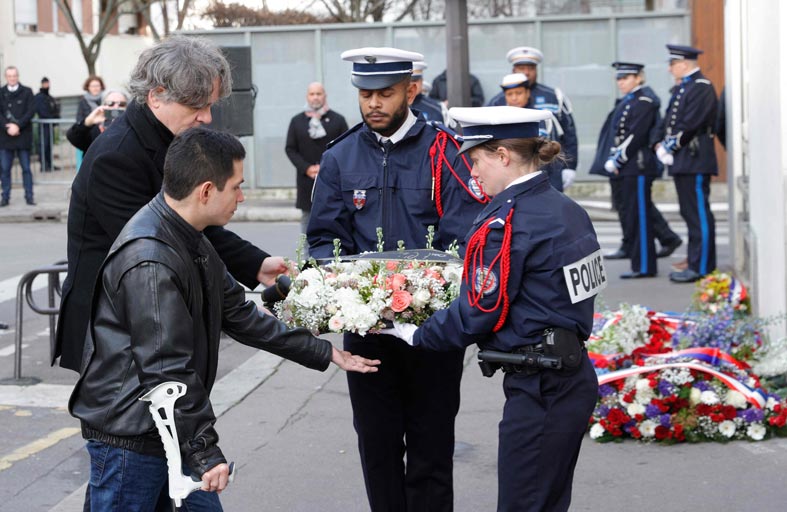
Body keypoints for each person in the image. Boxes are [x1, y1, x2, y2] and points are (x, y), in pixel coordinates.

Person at [69, 126, 380, 511]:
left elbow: (239, 313)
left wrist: (323, 352)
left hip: (168, 426)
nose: (241, 197)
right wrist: (205, 452)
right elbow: (166, 368)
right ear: (205, 191)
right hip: (132, 436)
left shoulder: (187, 234)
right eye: (236, 187)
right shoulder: (151, 259)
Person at [384, 106, 603, 512]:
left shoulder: (508, 221)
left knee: (524, 503)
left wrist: (416, 333)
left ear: (502, 156)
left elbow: (480, 309)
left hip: (539, 386)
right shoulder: (566, 210)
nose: (471, 172)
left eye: (475, 160)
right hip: (568, 375)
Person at [307, 47, 488, 512]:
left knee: (431, 447)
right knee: (377, 446)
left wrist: (422, 295)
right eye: (365, 94)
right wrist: (353, 292)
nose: (373, 103)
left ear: (411, 90)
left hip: (433, 332)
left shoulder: (446, 152)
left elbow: (465, 235)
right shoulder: (340, 156)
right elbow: (324, 238)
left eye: (385, 93)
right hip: (367, 333)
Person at [55, 36, 289, 374]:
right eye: (196, 107)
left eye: (210, 105)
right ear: (156, 96)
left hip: (143, 317)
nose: (206, 117)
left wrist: (256, 264)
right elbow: (167, 244)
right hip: (112, 330)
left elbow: (194, 226)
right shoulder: (116, 157)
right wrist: (238, 308)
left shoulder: (165, 139)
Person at [589, 62, 669, 278]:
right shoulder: (630, 101)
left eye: (625, 78)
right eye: (619, 78)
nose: (621, 82)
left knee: (640, 217)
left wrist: (617, 160)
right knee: (633, 217)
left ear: (638, 78)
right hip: (629, 167)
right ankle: (639, 264)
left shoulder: (643, 102)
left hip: (638, 166)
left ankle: (644, 266)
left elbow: (635, 136)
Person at [655, 44, 718, 283]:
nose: (670, 69)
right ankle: (695, 259)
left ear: (683, 64)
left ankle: (702, 267)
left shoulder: (701, 86)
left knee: (698, 213)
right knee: (689, 213)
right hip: (684, 160)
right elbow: (671, 121)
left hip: (695, 158)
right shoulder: (685, 87)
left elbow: (691, 124)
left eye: (672, 64)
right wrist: (660, 145)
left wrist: (669, 146)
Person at [487, 46, 578, 191]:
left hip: (550, 169)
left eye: (530, 68)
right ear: (513, 70)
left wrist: (570, 166)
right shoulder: (497, 102)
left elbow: (569, 133)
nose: (526, 72)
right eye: (521, 68)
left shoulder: (554, 97)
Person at [285, 82, 348, 237]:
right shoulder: (297, 121)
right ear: (307, 96)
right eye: (312, 94)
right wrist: (306, 168)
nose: (315, 97)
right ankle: (306, 253)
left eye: (318, 94)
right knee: (307, 223)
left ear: (325, 96)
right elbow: (290, 149)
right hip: (307, 181)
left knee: (333, 221)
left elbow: (346, 148)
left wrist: (327, 168)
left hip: (332, 180)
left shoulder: (338, 120)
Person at [499, 73, 568, 191]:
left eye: (519, 93)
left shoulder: (543, 119)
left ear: (528, 93)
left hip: (541, 184)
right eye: (509, 94)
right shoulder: (499, 121)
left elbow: (552, 157)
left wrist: (555, 189)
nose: (514, 98)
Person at [0, 66, 36, 206]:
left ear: (18, 76)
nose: (12, 78)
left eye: (14, 75)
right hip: (5, 137)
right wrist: (7, 127)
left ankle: (29, 197)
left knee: (26, 168)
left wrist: (18, 126)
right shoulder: (1, 92)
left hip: (22, 136)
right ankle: (5, 197)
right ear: (6, 77)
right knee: (5, 169)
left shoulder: (27, 91)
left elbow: (31, 111)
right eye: (9, 76)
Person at [33, 77, 61, 172]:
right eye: (45, 83)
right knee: (43, 145)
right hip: (44, 125)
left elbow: (54, 109)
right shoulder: (39, 97)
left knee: (49, 146)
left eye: (47, 83)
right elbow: (43, 111)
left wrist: (55, 118)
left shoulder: (49, 97)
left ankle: (49, 164)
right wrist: (52, 118)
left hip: (50, 125)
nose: (47, 85)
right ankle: (44, 165)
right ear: (42, 84)